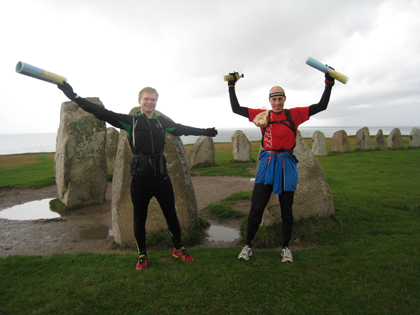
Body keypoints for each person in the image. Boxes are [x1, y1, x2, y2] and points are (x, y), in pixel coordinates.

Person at [57, 82, 218, 271]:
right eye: (147, 99)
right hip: (140, 179)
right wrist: (73, 96)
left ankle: (178, 249)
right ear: (140, 101)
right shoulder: (130, 122)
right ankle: (142, 255)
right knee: (139, 218)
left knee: (171, 215)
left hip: (161, 178)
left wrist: (205, 132)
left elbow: (182, 129)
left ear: (156, 102)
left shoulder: (162, 122)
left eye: (153, 100)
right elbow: (102, 113)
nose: (150, 103)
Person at [227, 71, 335, 262]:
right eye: (273, 99)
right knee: (256, 207)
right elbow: (236, 108)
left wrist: (328, 83)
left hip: (287, 164)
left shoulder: (294, 114)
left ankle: (286, 247)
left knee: (287, 209)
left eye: (279, 99)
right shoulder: (262, 116)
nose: (277, 103)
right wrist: (231, 86)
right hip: (267, 164)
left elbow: (321, 106)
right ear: (270, 101)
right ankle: (248, 245)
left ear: (284, 99)